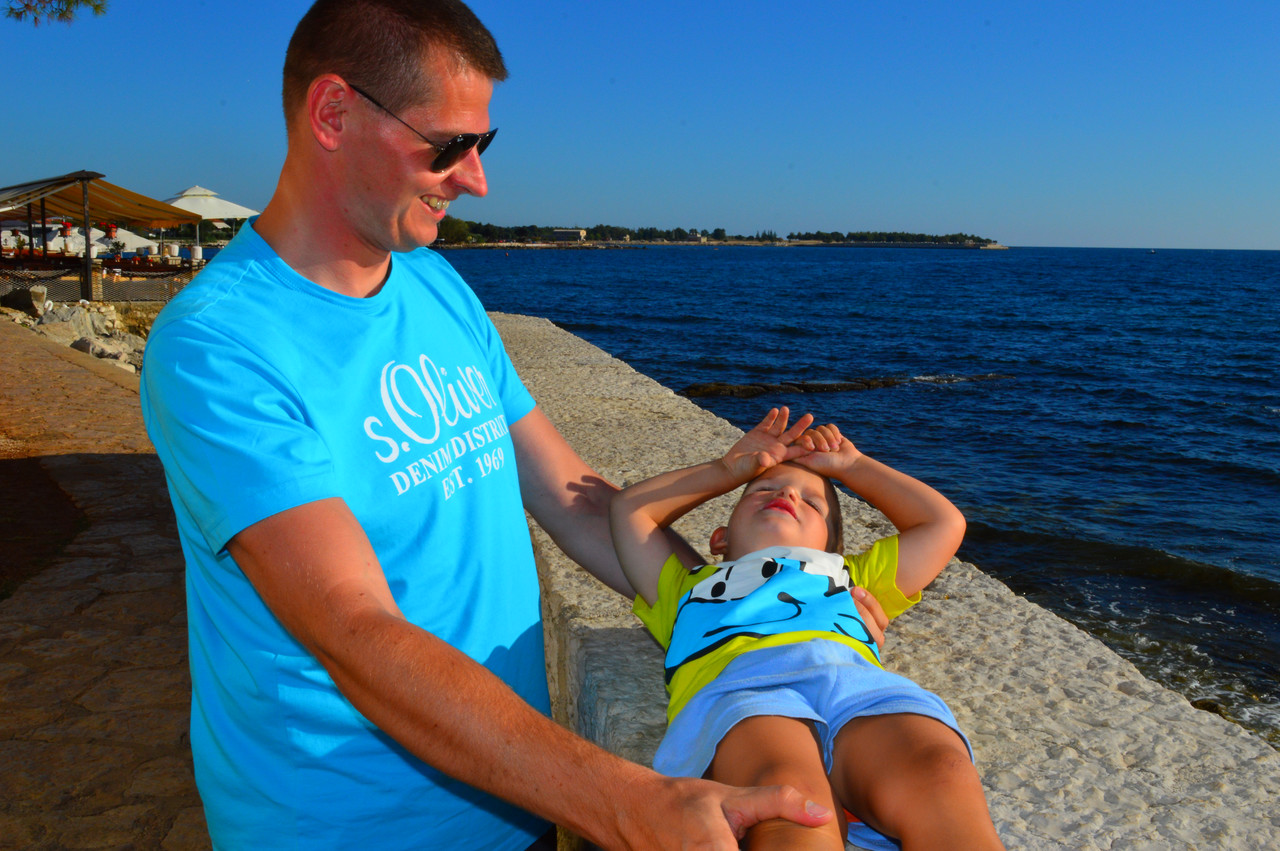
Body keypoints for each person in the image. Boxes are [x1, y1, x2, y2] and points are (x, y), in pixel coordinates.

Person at [140, 2, 897, 848]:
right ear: (333, 113)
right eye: (448, 145)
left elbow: (574, 498)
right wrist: (624, 802)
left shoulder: (436, 287)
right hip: (346, 825)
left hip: (516, 796)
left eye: (484, 144)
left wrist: (769, 599)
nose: (475, 180)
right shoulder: (218, 347)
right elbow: (354, 630)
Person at [609, 408, 1005, 850]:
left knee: (941, 771)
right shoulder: (687, 587)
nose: (787, 495)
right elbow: (629, 511)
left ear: (832, 550)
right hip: (745, 691)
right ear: (720, 539)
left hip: (855, 685)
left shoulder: (847, 576)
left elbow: (944, 524)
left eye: (812, 503)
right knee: (787, 800)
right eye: (763, 490)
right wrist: (726, 470)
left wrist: (853, 466)